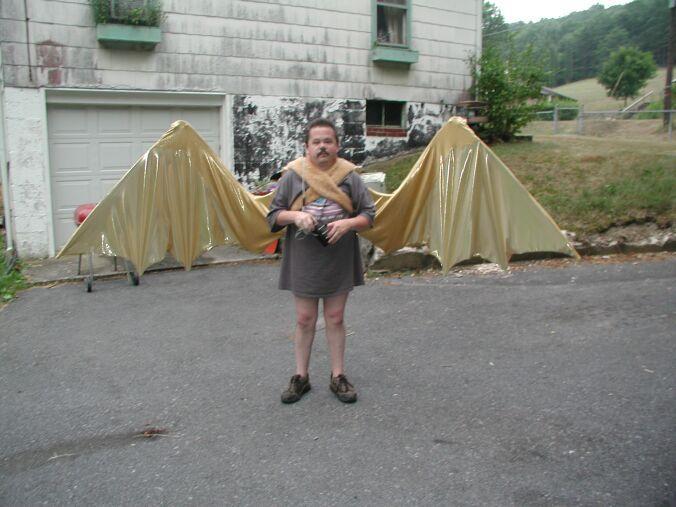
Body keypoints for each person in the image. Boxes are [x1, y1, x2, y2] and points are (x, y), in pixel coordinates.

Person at [267, 118, 376, 404]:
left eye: (328, 141)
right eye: (316, 142)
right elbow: (273, 216)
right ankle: (301, 377)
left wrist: (349, 223)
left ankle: (338, 376)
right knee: (304, 319)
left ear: (337, 146)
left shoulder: (350, 177)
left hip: (339, 257)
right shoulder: (292, 176)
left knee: (335, 317)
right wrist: (296, 216)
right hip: (304, 258)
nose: (322, 146)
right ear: (307, 147)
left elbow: (369, 215)